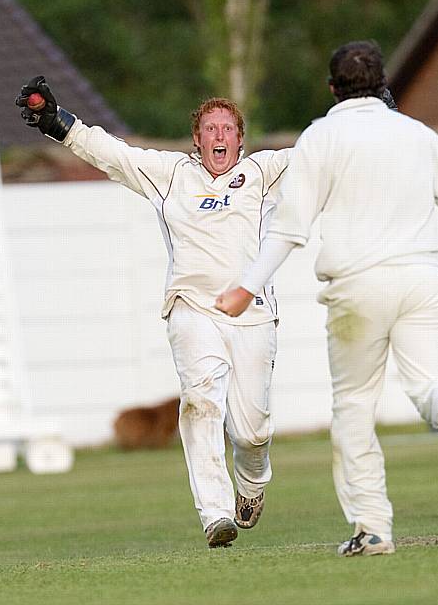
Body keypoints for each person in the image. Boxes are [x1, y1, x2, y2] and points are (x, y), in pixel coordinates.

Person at [215, 40, 438, 557]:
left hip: (357, 290)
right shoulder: (417, 135)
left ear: (332, 88)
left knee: (355, 409)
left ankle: (373, 529)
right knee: (431, 384)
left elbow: (289, 230)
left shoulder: (320, 138)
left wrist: (247, 286)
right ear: (384, 84)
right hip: (423, 280)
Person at [15, 76, 291, 548]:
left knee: (251, 431)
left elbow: (325, 152)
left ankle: (252, 482)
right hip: (191, 310)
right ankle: (216, 514)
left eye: (228, 129)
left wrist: (368, 108)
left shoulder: (264, 172)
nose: (219, 136)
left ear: (240, 140)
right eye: (210, 129)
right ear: (197, 140)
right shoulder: (171, 174)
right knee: (200, 403)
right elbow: (113, 153)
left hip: (251, 313)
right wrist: (57, 124)